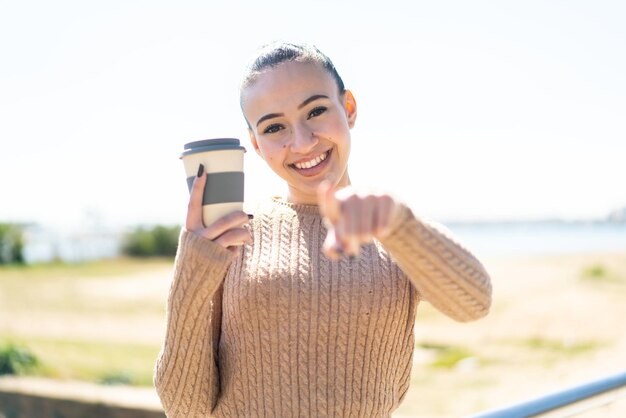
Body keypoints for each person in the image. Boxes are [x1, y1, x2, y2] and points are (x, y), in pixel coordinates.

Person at [153, 42, 492, 418]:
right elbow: (185, 409)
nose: (302, 142)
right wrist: (191, 272)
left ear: (348, 109)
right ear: (256, 144)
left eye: (316, 111)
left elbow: (473, 304)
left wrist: (400, 226)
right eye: (274, 127)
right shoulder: (234, 234)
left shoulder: (388, 224)